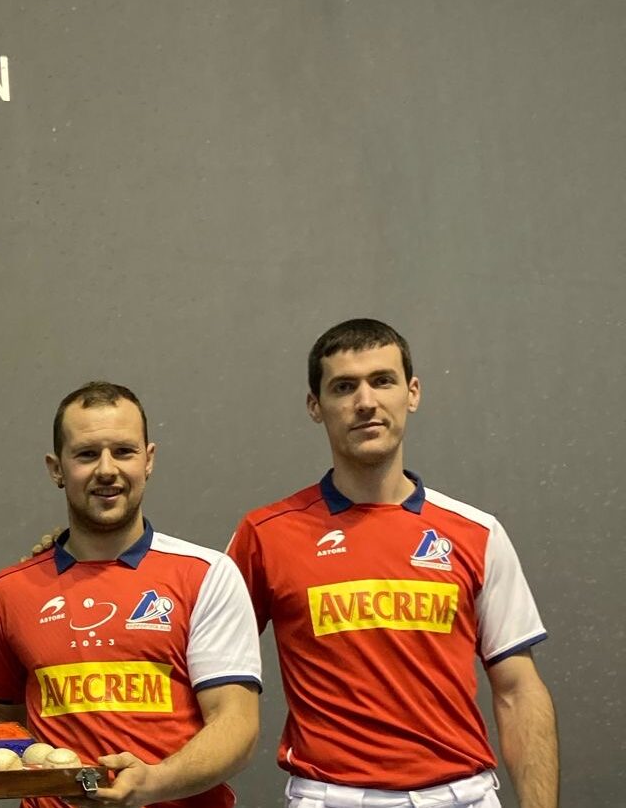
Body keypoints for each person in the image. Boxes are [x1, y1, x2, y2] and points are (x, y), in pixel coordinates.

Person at [226, 318, 559, 808]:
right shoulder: (265, 534)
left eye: (382, 381)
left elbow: (517, 690)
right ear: (315, 406)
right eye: (344, 387)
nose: (365, 401)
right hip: (330, 797)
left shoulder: (477, 533)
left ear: (412, 393)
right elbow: (208, 675)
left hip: (463, 796)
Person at [0, 382, 261, 808]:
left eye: (123, 451)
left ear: (148, 460)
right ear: (56, 468)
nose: (107, 469)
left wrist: (152, 783)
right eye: (87, 454)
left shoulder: (206, 575)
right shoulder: (11, 589)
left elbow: (236, 725)